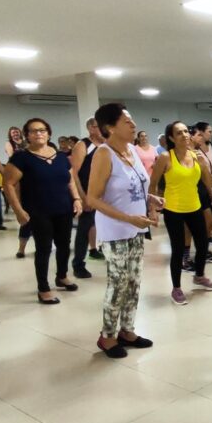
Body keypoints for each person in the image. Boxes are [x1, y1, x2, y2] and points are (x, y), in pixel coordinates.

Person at [85, 103, 161, 358]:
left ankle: (127, 330)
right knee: (118, 283)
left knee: (134, 282)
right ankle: (107, 336)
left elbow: (135, 185)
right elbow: (92, 198)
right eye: (127, 122)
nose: (134, 125)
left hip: (136, 229)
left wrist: (151, 198)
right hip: (115, 230)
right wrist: (128, 217)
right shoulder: (103, 154)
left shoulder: (131, 150)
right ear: (110, 127)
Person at [3, 118, 83, 304]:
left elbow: (70, 180)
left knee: (64, 245)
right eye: (33, 131)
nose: (39, 134)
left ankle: (61, 276)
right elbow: (8, 184)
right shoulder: (21, 158)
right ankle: (43, 287)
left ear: (49, 133)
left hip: (63, 208)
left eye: (42, 130)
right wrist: (18, 210)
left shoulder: (61, 156)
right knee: (44, 248)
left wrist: (77, 199)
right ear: (27, 135)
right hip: (38, 211)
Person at [150, 121, 212, 305]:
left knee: (203, 243)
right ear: (171, 138)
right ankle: (177, 288)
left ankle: (199, 276)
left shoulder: (196, 156)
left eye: (186, 131)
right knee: (178, 248)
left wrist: (204, 163)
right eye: (179, 133)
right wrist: (153, 207)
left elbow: (209, 182)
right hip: (174, 209)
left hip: (194, 206)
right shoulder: (166, 157)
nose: (185, 135)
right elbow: (153, 183)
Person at [70, 117, 106, 278]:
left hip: (103, 194)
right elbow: (74, 173)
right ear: (92, 128)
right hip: (87, 193)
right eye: (100, 127)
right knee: (84, 229)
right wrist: (83, 198)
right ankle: (78, 264)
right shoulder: (82, 145)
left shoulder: (106, 145)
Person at [191, 122, 212, 247]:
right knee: (204, 217)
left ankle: (209, 237)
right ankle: (203, 242)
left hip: (208, 184)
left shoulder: (209, 146)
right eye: (209, 132)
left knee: (211, 213)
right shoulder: (193, 151)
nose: (211, 134)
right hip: (198, 186)